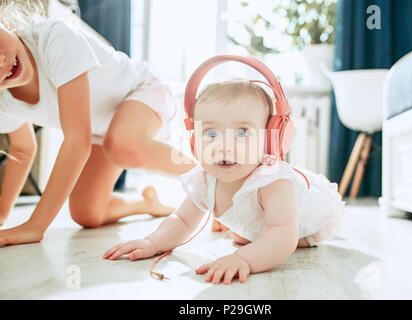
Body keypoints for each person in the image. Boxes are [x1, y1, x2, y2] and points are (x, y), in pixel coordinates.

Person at [104, 57, 345, 284]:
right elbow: (182, 220)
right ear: (194, 141)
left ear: (271, 140)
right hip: (264, 222)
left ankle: (259, 234)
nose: (224, 145)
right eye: (210, 133)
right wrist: (152, 242)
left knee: (275, 234)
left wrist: (245, 259)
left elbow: (284, 234)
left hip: (312, 217)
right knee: (248, 235)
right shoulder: (205, 178)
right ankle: (250, 231)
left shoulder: (273, 181)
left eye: (242, 132)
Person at [0, 3, 195, 247]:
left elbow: (77, 141)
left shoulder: (55, 39)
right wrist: (2, 216)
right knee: (86, 213)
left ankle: (211, 178)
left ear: (3, 22)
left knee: (123, 145)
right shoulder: (3, 101)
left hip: (141, 92)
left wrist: (35, 226)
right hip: (99, 131)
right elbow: (22, 148)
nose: (0, 61)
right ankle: (147, 204)